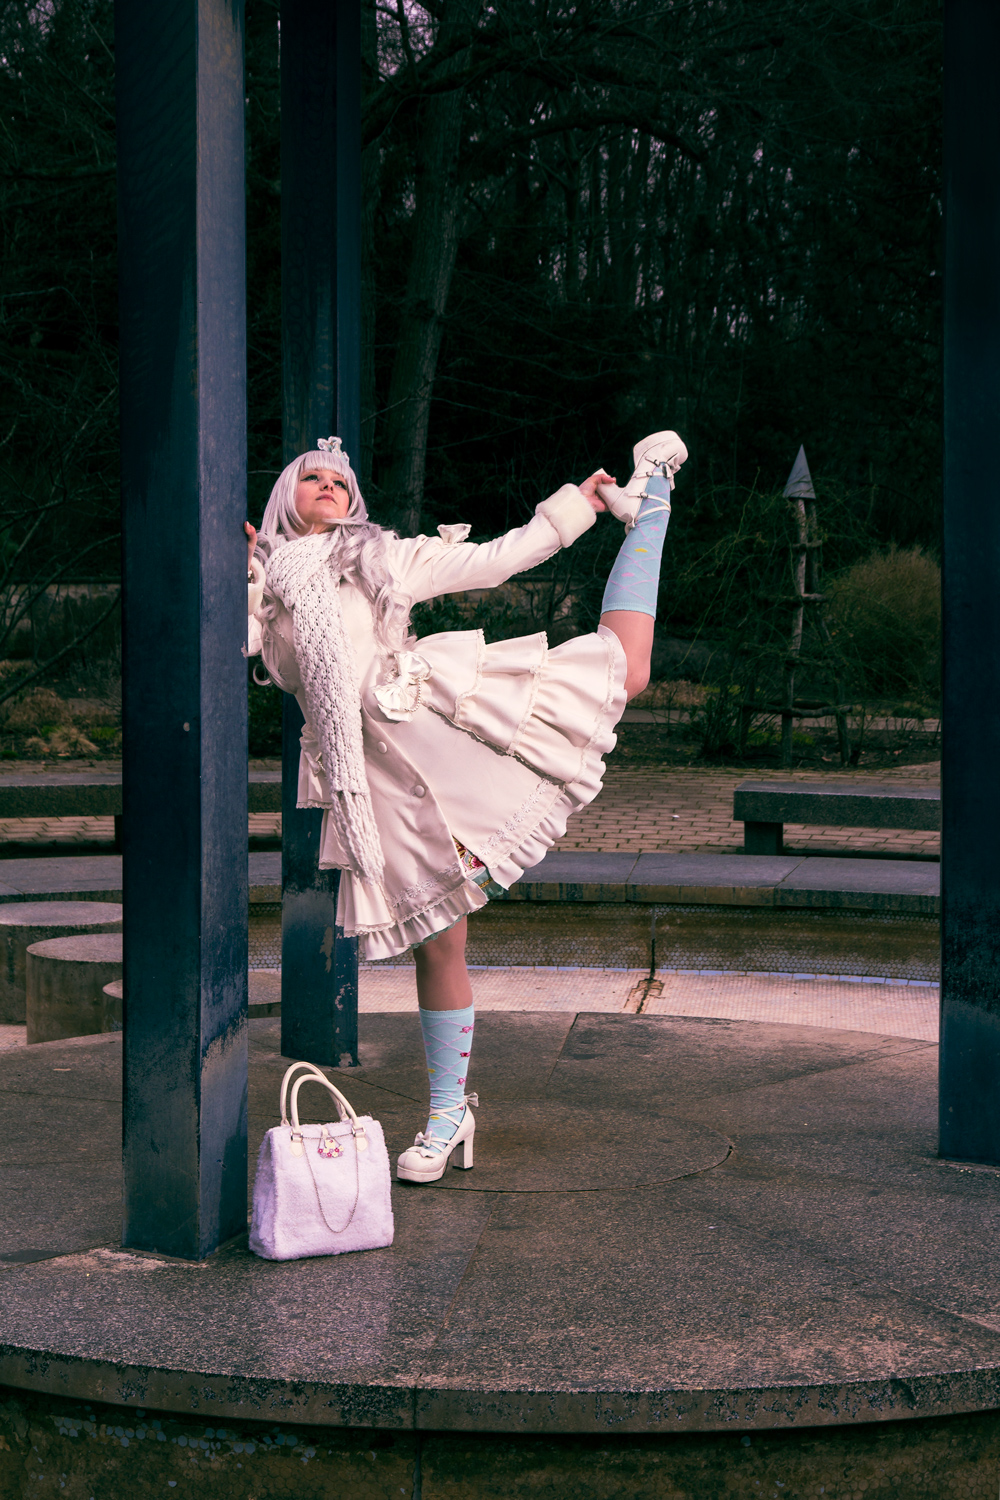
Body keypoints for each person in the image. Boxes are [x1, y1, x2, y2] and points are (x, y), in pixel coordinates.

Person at [244, 430, 687, 1184]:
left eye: (340, 481)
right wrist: (244, 571)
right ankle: (450, 1115)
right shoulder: (265, 587)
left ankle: (651, 505)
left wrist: (576, 508)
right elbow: (241, 646)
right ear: (286, 496)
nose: (329, 486)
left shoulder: (380, 558)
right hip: (376, 786)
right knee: (439, 943)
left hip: (441, 727)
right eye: (312, 478)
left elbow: (495, 559)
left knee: (626, 670)